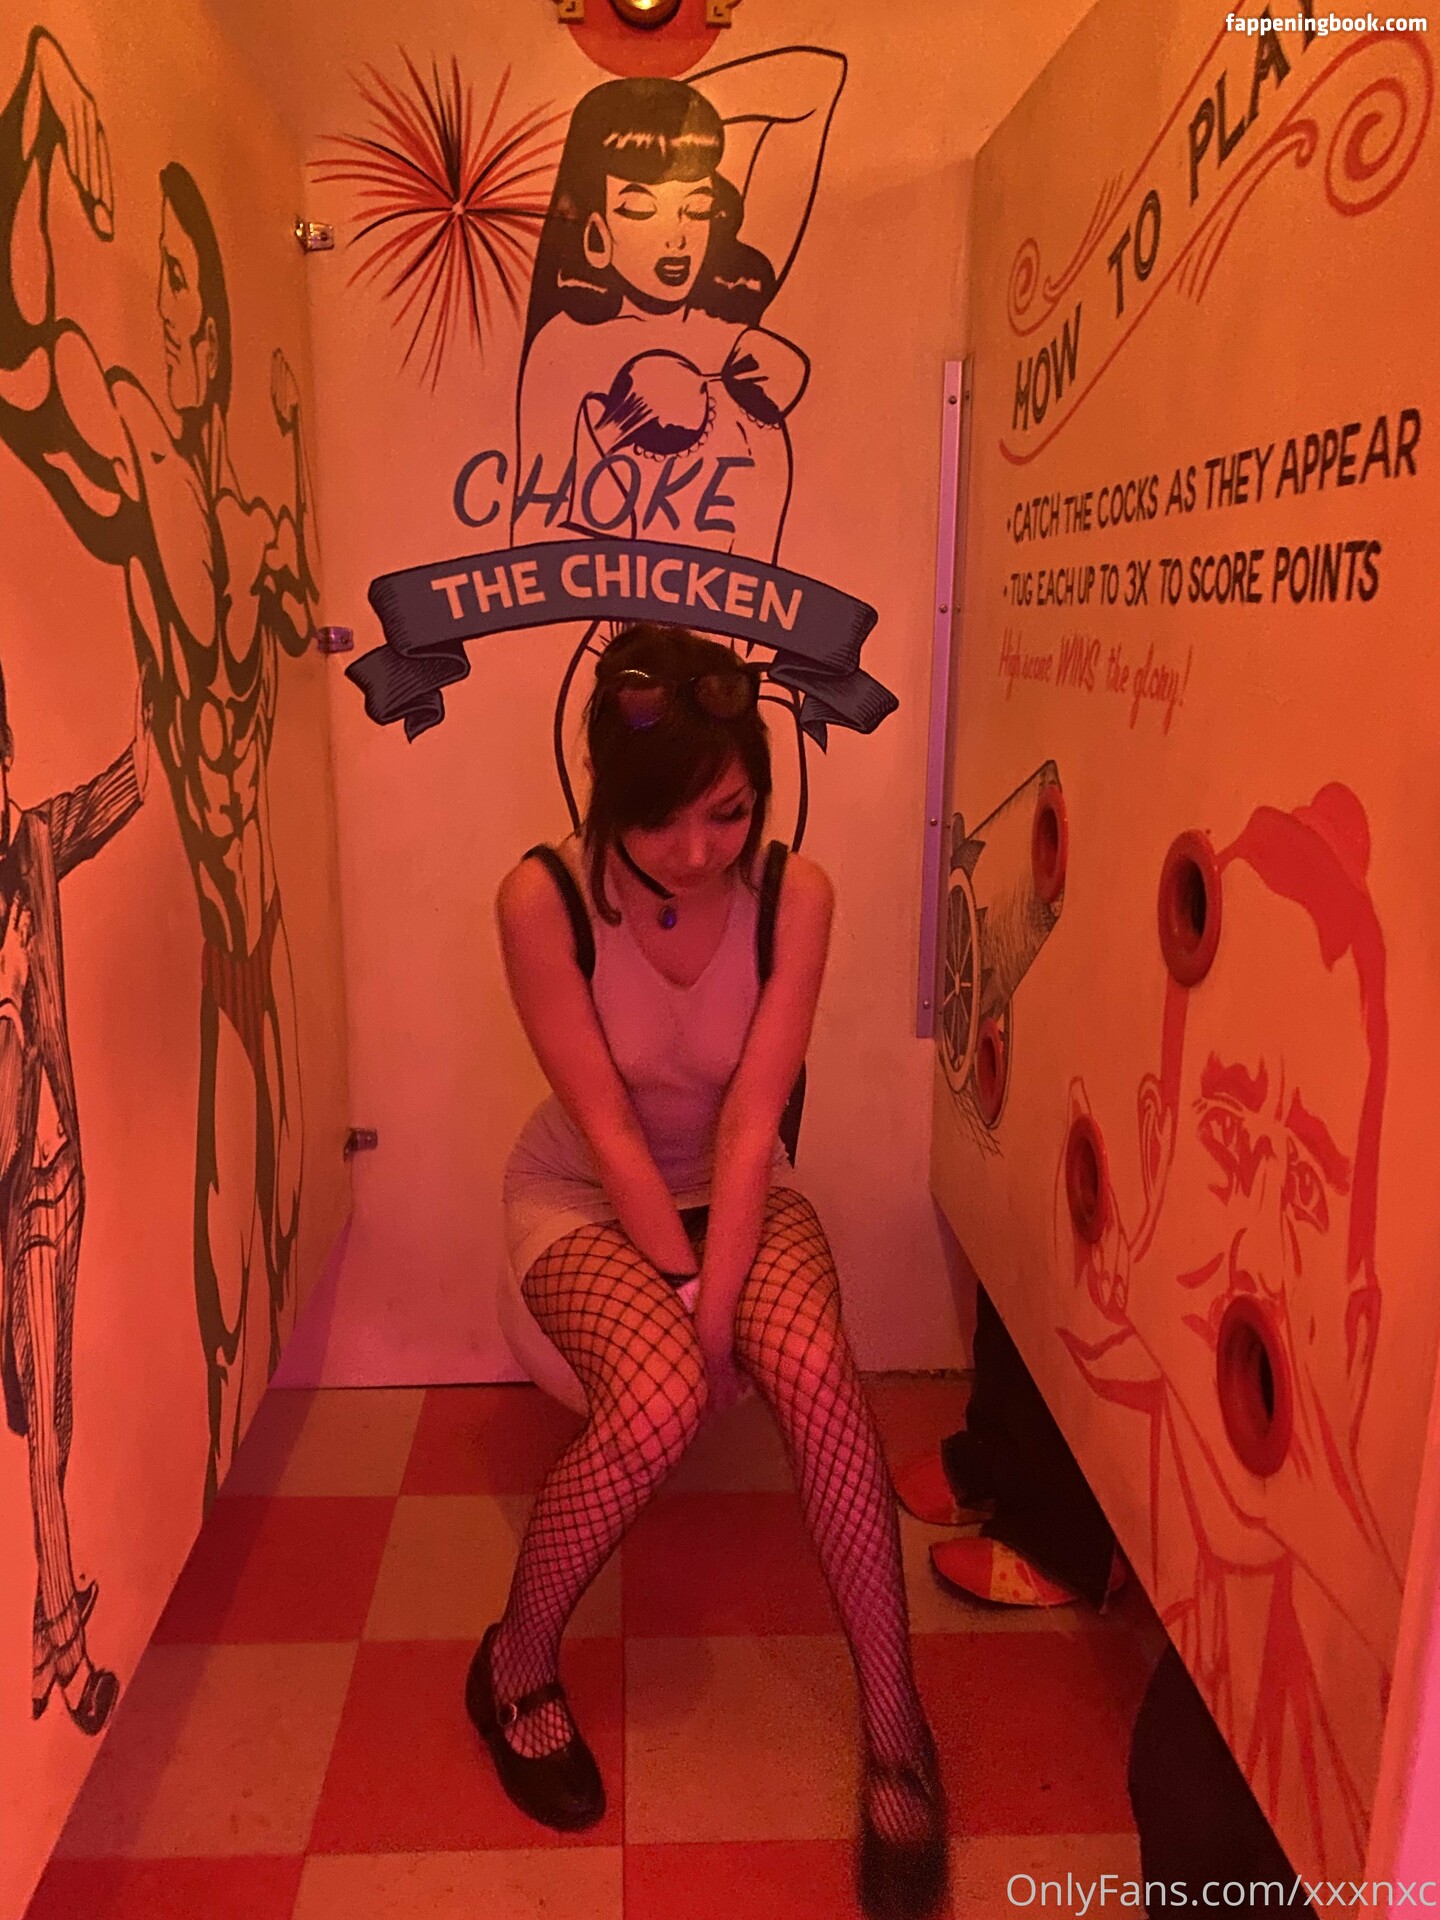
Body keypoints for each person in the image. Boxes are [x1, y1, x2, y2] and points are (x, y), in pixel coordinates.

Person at [468, 623, 947, 1918]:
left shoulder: (796, 894)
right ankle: (513, 1665)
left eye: (728, 813)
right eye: (661, 820)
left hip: (734, 1184)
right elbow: (610, 1132)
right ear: (602, 795)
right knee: (662, 1404)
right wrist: (692, 1319)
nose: (697, 852)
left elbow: (750, 1127)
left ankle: (898, 1735)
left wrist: (719, 1305)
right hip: (584, 1192)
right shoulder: (542, 900)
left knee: (819, 1375)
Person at [0, 28, 316, 1508]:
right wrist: (41, 116)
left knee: (279, 1222)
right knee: (222, 1268)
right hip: (209, 930)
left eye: (192, 290)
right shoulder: (132, 441)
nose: (179, 314)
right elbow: (23, 356)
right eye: (169, 284)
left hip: (269, 919)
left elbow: (305, 636)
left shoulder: (247, 510)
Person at [514, 53, 845, 558]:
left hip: (738, 610)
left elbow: (817, 82)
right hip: (609, 612)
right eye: (640, 209)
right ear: (597, 232)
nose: (677, 237)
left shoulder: (734, 337)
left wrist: (673, 120)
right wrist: (613, 430)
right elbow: (535, 541)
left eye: (696, 208)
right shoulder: (563, 347)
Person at [0, 657, 152, 1735]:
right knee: (36, 1410)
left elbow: (131, 781)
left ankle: (57, 1625)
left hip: (55, 1166)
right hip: (12, 1187)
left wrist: (159, 656)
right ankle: (62, 1635)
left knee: (52, 1412)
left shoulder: (37, 842)